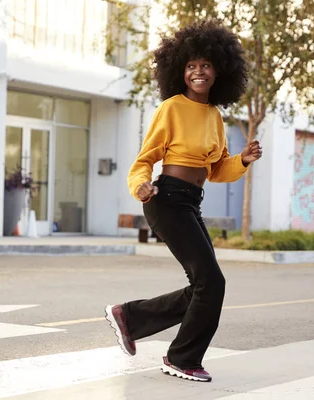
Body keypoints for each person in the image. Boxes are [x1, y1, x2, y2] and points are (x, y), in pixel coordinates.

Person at [105, 19, 262, 383]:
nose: (198, 72)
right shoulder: (171, 108)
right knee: (212, 283)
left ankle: (130, 317)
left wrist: (243, 160)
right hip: (166, 199)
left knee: (203, 285)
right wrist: (140, 186)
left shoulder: (214, 116)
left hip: (191, 201)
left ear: (218, 70)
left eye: (205, 65)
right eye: (191, 66)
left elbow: (217, 169)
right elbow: (143, 161)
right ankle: (182, 357)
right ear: (180, 71)